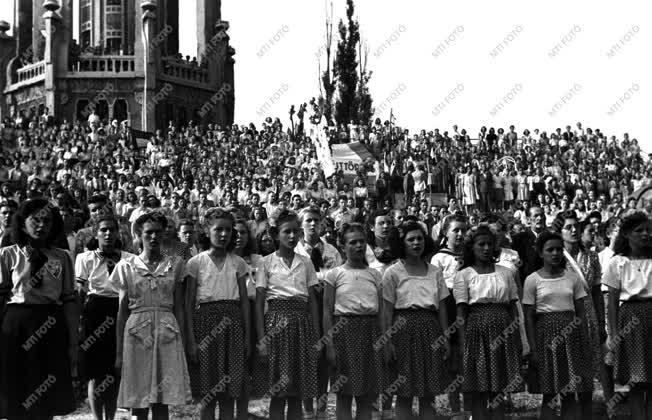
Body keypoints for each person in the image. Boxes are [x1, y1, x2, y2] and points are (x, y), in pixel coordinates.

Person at [0, 199, 78, 419]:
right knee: (16, 391)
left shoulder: (62, 257)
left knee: (47, 396)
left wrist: (73, 342)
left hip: (51, 325)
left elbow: (69, 300)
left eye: (47, 220)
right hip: (16, 326)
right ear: (22, 223)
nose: (41, 225)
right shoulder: (7, 255)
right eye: (35, 220)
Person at [111, 212, 191, 420]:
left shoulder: (175, 264)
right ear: (139, 234)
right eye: (148, 232)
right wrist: (119, 353)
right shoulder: (126, 266)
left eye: (158, 232)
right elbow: (121, 312)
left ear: (165, 234)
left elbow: (180, 306)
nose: (154, 237)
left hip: (167, 329)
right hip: (137, 332)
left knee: (161, 400)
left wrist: (182, 341)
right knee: (139, 398)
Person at [185, 209, 251, 420]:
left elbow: (244, 304)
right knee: (208, 393)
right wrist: (191, 340)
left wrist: (248, 337)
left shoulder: (238, 263)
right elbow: (188, 305)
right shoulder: (196, 263)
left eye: (228, 230)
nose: (224, 234)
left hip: (233, 327)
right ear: (207, 230)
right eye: (218, 229)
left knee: (229, 392)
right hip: (205, 327)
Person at [254, 210, 320, 420]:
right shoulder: (265, 263)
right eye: (286, 232)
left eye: (295, 232)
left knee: (297, 391)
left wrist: (318, 337)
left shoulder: (306, 262)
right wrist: (263, 339)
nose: (292, 237)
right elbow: (259, 304)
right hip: (276, 326)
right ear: (276, 234)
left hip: (302, 326)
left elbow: (313, 303)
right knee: (278, 391)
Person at [382, 221, 449, 419]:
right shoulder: (393, 272)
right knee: (404, 391)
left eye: (420, 238)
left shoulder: (435, 271)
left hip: (430, 329)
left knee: (428, 393)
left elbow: (442, 307)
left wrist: (444, 337)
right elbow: (386, 311)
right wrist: (388, 342)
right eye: (410, 239)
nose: (416, 243)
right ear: (401, 243)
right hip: (402, 331)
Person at [454, 225, 523, 419]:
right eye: (481, 244)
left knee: (499, 387)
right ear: (472, 247)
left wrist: (517, 336)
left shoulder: (505, 273)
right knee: (479, 387)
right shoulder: (464, 275)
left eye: (489, 244)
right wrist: (463, 343)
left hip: (503, 329)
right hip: (477, 332)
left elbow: (513, 307)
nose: (486, 248)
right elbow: (461, 311)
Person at [523, 231, 592, 420]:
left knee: (570, 391)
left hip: (571, 337)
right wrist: (532, 348)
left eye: (558, 249)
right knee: (550, 392)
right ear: (540, 253)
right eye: (550, 250)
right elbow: (528, 316)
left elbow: (580, 312)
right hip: (546, 338)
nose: (555, 253)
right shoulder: (532, 280)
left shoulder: (572, 278)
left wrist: (583, 339)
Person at [323, 223, 383, 420]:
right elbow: (327, 312)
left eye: (362, 242)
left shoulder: (375, 274)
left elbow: (381, 311)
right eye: (353, 242)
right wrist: (330, 345)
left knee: (367, 394)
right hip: (344, 335)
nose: (358, 246)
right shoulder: (335, 274)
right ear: (343, 246)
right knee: (344, 394)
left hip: (370, 333)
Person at [76, 214, 132, 420]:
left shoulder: (129, 259)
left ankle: (111, 417)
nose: (108, 234)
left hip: (120, 310)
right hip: (94, 313)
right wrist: (79, 322)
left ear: (118, 233)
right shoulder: (85, 258)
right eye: (103, 230)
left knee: (115, 371)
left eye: (112, 230)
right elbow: (80, 292)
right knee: (95, 372)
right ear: (95, 233)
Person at [552, 210, 604, 415]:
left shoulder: (591, 256)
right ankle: (566, 411)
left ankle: (586, 411)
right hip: (563, 314)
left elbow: (598, 292)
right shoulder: (555, 256)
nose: (574, 230)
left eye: (576, 226)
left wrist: (600, 322)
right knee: (566, 368)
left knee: (586, 369)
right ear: (560, 231)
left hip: (588, 315)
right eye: (568, 227)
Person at [295, 207, 342, 420]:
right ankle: (306, 411)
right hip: (304, 310)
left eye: (316, 220)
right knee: (306, 362)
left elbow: (340, 279)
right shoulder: (294, 251)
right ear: (301, 224)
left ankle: (322, 410)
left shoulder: (332, 251)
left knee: (324, 361)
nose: (313, 225)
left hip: (328, 309)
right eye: (308, 221)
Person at [604, 211, 652, 420]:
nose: (645, 234)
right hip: (630, 320)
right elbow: (612, 302)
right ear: (626, 234)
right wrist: (614, 333)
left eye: (648, 230)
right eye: (638, 230)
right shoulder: (617, 263)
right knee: (636, 379)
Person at [430, 214, 467, 418]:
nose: (460, 234)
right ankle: (454, 407)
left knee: (465, 356)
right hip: (448, 305)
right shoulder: (439, 257)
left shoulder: (470, 254)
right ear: (445, 232)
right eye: (456, 230)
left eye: (463, 230)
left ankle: (471, 405)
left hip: (466, 305)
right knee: (451, 358)